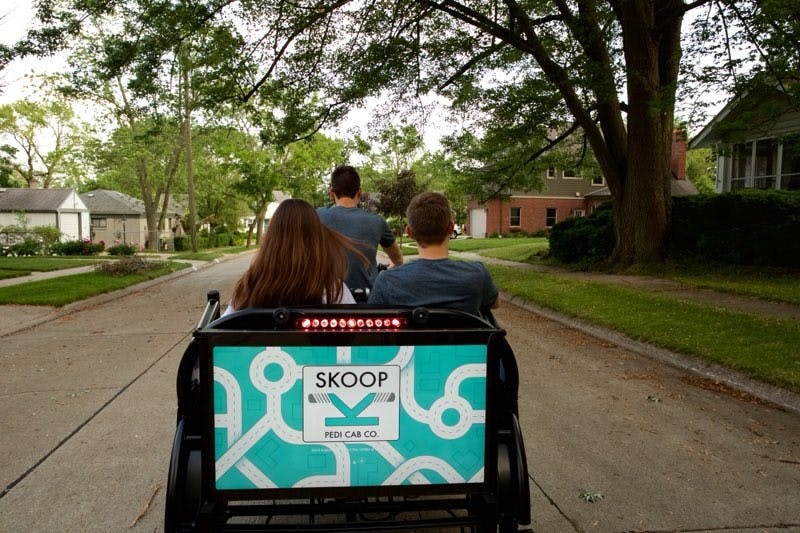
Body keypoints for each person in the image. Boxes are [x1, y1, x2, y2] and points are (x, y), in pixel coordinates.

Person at [223, 198, 364, 315]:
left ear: (271, 240)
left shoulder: (250, 285)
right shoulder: (332, 289)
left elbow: (222, 330)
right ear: (316, 240)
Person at [368, 192, 498, 316]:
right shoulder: (478, 275)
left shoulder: (387, 281)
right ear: (451, 227)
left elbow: (372, 325)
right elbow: (494, 304)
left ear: (409, 232)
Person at [317, 165, 403, 292]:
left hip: (326, 302)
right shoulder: (377, 221)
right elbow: (398, 260)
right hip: (366, 304)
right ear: (360, 192)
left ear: (331, 193)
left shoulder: (316, 217)